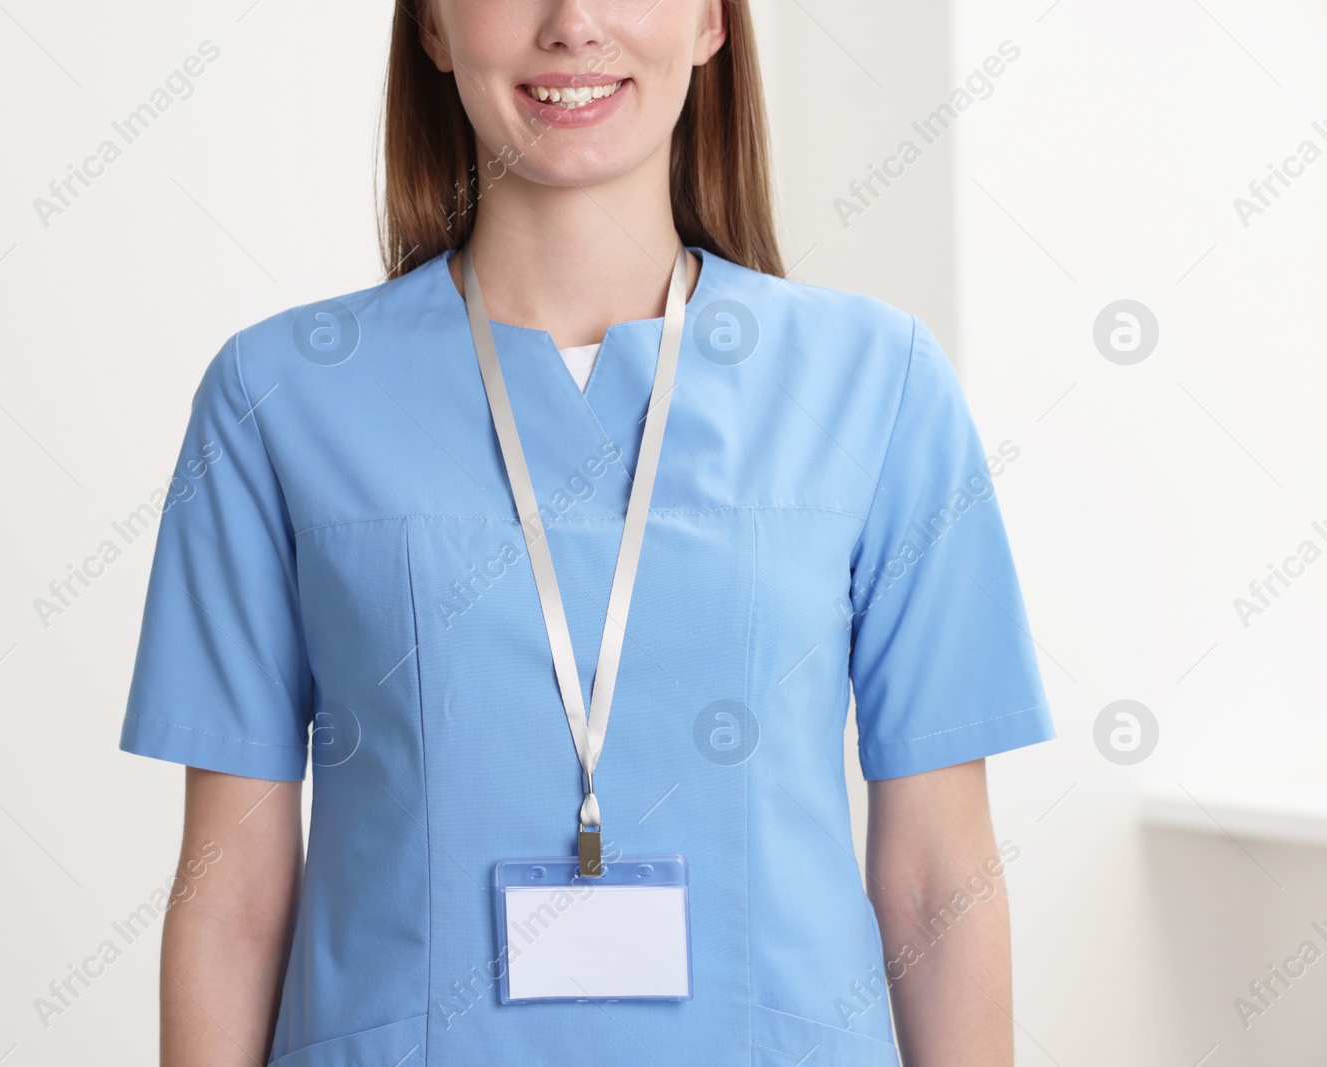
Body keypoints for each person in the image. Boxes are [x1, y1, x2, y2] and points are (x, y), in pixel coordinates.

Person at [119, 2, 1055, 1064]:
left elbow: (940, 873)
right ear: (430, 26)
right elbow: (230, 894)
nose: (572, 24)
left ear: (710, 22)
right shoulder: (279, 397)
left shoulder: (877, 387)